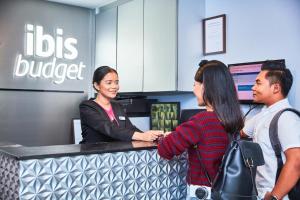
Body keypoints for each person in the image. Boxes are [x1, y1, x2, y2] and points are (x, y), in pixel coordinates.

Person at [157, 60, 244, 199]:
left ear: (205, 87)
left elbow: (164, 150)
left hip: (203, 192)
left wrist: (167, 136)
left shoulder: (201, 121)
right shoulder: (234, 118)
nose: (193, 89)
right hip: (226, 190)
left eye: (195, 85)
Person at [241, 60, 300, 200]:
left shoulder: (287, 118)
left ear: (275, 88)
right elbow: (242, 132)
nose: (253, 87)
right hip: (261, 194)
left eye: (258, 83)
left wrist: (274, 197)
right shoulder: (264, 114)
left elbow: (296, 160)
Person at [79, 66, 163, 143]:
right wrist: (142, 136)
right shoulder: (87, 107)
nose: (114, 86)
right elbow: (109, 128)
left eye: (116, 82)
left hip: (117, 153)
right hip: (95, 156)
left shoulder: (117, 105)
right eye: (109, 83)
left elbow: (130, 128)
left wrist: (150, 136)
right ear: (97, 85)